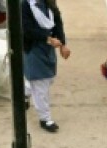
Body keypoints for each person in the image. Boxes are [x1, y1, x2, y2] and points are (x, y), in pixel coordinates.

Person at [20, 0, 69, 133]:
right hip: (33, 48)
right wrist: (48, 39)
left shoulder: (49, 2)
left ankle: (23, 94)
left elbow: (57, 21)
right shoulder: (24, 4)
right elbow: (27, 29)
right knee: (41, 82)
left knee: (46, 79)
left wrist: (63, 44)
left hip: (48, 48)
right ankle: (45, 119)